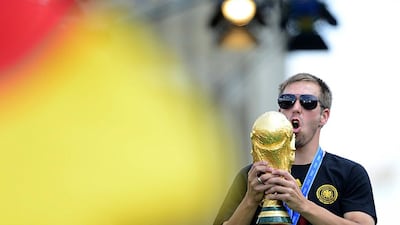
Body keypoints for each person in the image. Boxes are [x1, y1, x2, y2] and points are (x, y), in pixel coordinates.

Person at [213, 73, 377, 225]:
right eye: (287, 101)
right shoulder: (253, 176)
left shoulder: (349, 173)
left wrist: (303, 205)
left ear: (324, 116)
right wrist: (250, 200)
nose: (296, 108)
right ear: (280, 112)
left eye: (308, 102)